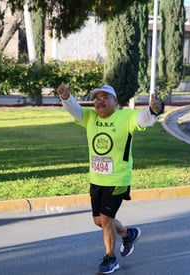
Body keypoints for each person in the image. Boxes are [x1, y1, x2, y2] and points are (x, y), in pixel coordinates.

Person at [56, 83, 164, 274]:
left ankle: (110, 258)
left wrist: (154, 110)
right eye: (97, 98)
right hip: (96, 178)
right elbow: (74, 109)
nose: (100, 101)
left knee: (106, 219)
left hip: (117, 179)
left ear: (115, 100)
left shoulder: (126, 117)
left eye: (105, 97)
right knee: (99, 221)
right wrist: (65, 97)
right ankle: (127, 233)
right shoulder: (89, 117)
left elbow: (143, 119)